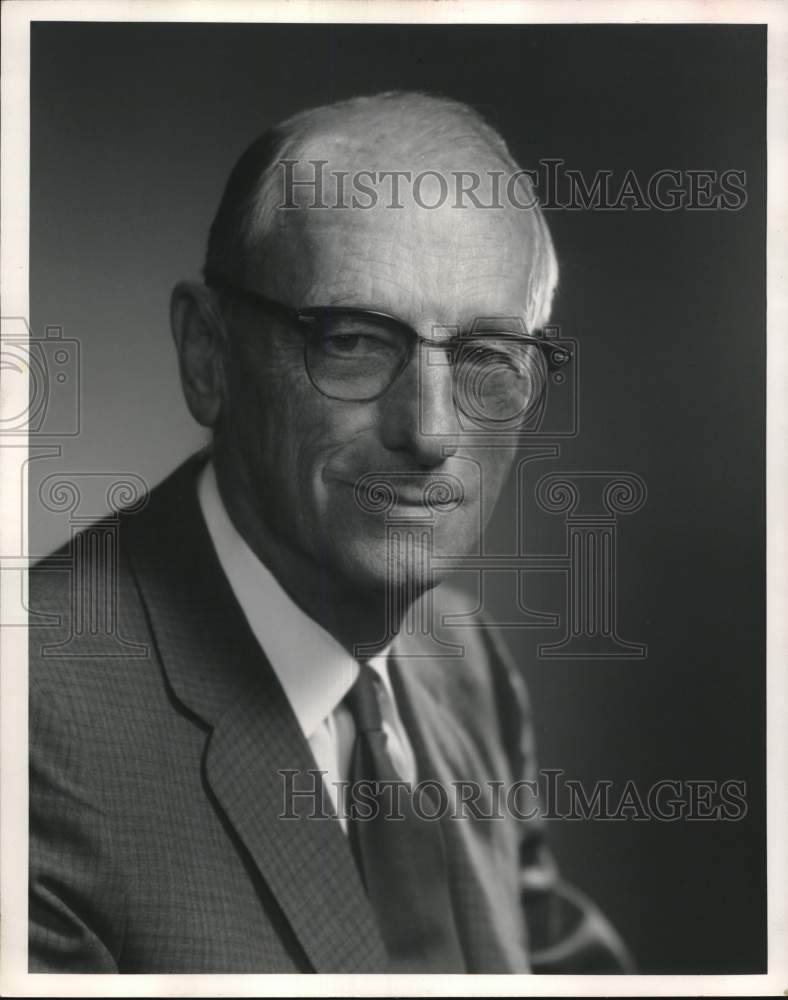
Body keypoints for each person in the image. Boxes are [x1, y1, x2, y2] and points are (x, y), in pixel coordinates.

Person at [29, 91, 633, 974]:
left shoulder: (464, 666)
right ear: (208, 356)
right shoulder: (32, 720)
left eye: (487, 357)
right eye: (353, 341)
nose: (429, 433)